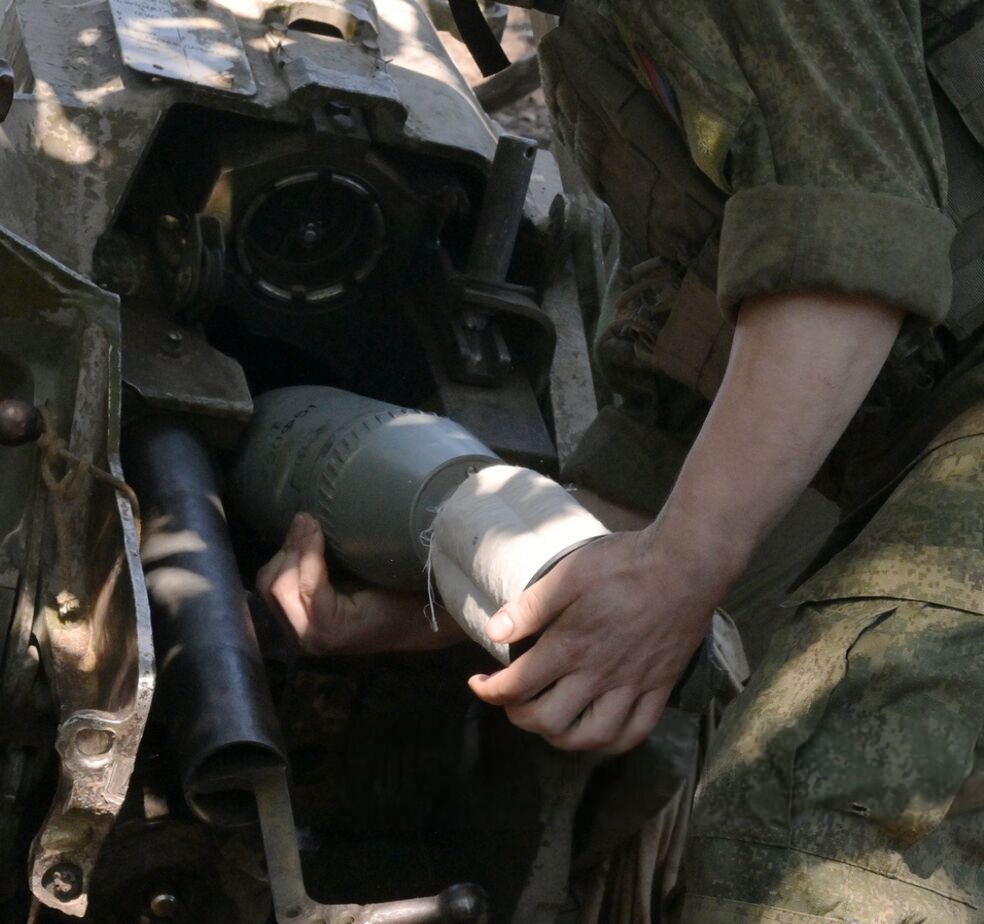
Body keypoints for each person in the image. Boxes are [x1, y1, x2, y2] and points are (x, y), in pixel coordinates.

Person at [258, 2, 984, 919]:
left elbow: (847, 261)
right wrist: (437, 616)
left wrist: (678, 571)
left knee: (815, 833)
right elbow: (682, 420)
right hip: (910, 416)